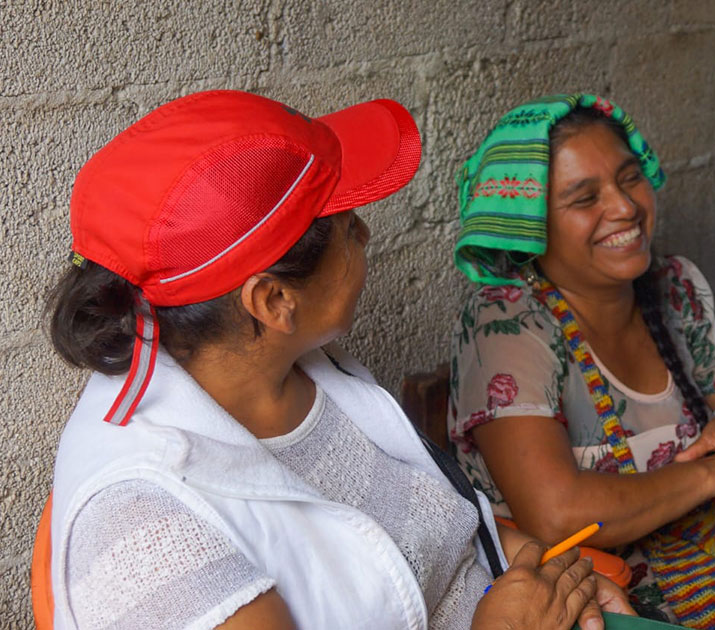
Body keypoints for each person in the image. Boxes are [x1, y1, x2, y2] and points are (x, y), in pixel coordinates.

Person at [44, 90, 631, 630]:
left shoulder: (304, 371)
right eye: (349, 226)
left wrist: (550, 572)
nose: (367, 234)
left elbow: (433, 527)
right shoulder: (145, 532)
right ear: (274, 301)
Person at [448, 94, 715, 629]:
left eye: (629, 178)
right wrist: (712, 476)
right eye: (585, 198)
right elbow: (558, 513)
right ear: (530, 226)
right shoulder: (509, 325)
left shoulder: (675, 287)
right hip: (608, 605)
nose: (625, 207)